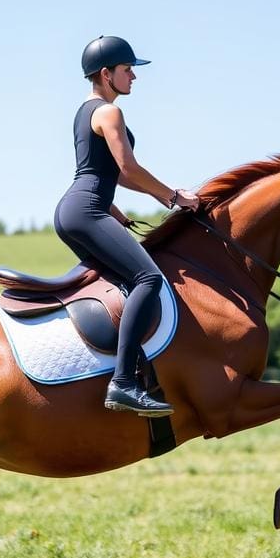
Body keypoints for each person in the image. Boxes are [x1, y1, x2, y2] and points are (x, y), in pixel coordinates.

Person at [54, 35, 199, 416]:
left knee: (123, 282)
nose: (134, 76)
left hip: (79, 209)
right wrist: (173, 197)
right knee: (149, 279)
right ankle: (123, 383)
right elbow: (128, 168)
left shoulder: (86, 111)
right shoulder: (109, 112)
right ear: (106, 74)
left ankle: (131, 368)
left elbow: (106, 174)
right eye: (127, 69)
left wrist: (115, 210)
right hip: (86, 211)